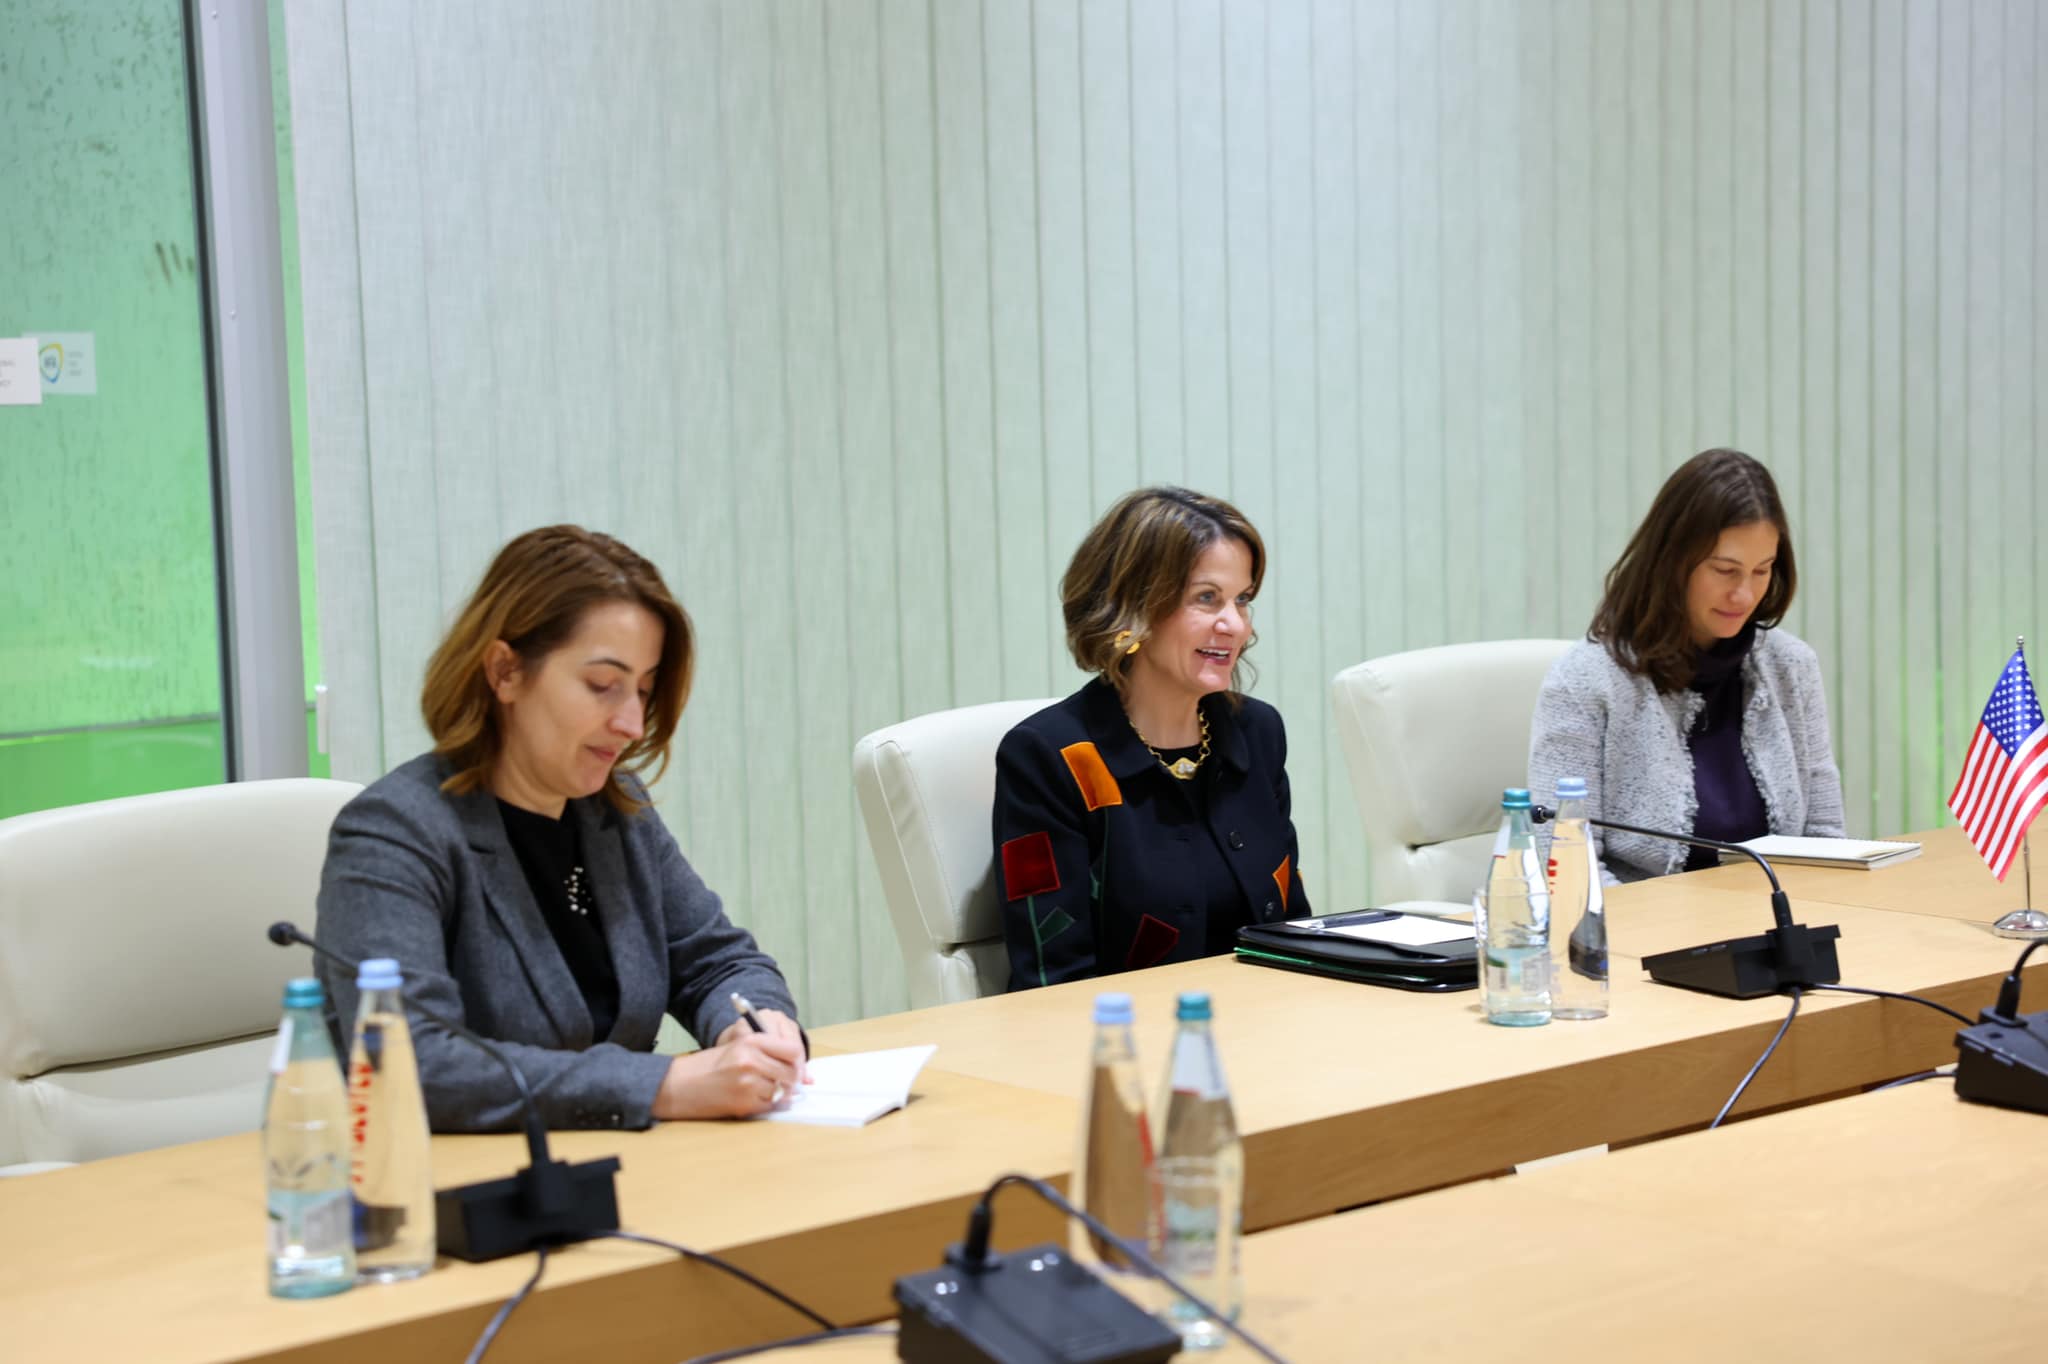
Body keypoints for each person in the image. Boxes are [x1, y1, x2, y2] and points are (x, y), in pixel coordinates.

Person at [316, 526, 806, 1131]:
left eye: (643, 690)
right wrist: (666, 1085)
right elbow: (412, 1062)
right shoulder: (393, 833)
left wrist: (754, 1025)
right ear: (505, 672)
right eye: (603, 686)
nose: (632, 723)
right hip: (473, 1179)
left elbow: (718, 963)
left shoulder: (617, 812)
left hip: (628, 1162)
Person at [992, 487, 1311, 989]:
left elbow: (1293, 933)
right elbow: (1053, 979)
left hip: (1266, 1024)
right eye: (1207, 598)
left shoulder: (1256, 734)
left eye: (1242, 599)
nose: (1235, 625)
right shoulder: (1052, 758)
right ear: (1132, 607)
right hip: (1120, 1033)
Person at [1529, 449, 1845, 884]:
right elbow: (1565, 868)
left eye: (1762, 570)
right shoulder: (1585, 682)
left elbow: (1826, 841)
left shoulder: (1791, 667)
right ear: (1672, 561)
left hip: (1776, 918)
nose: (1744, 594)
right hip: (1638, 923)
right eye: (1725, 570)